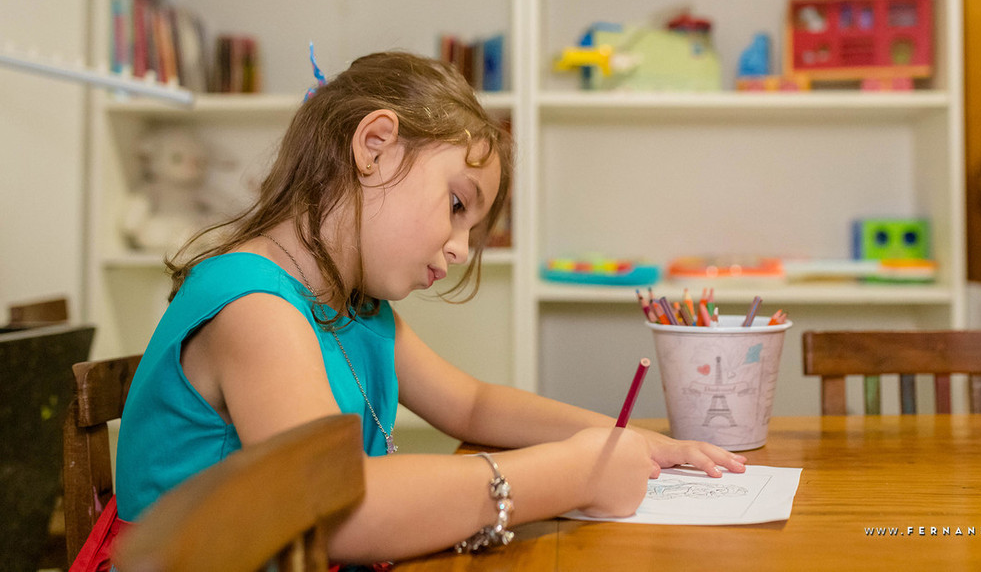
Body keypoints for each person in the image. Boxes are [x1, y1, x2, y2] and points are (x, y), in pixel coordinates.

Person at [72, 51, 744, 570]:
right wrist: (577, 472)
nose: (457, 248)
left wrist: (636, 442)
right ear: (374, 147)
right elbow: (341, 510)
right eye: (457, 205)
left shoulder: (358, 308)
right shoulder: (255, 308)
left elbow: (474, 405)